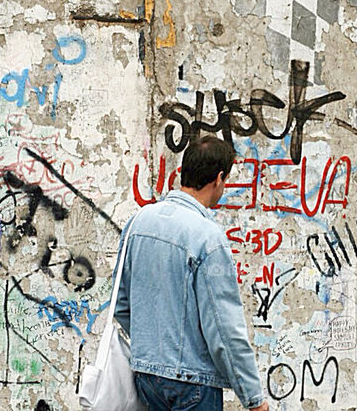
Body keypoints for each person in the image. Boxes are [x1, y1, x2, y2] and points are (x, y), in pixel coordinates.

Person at [114, 135, 268, 411]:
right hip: (192, 384)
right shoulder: (207, 237)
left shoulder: (138, 222)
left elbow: (121, 303)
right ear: (219, 178)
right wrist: (253, 398)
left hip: (147, 379)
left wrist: (152, 348)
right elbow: (224, 328)